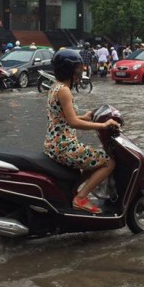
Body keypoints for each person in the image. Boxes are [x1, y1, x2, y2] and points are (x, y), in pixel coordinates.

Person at [43, 50, 119, 213]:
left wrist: (86, 116)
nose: (79, 74)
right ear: (69, 70)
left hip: (54, 143)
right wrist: (103, 126)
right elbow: (72, 122)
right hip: (64, 146)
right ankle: (81, 197)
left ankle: (73, 190)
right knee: (109, 162)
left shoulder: (55, 87)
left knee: (93, 159)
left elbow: (64, 118)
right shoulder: (64, 90)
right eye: (77, 70)